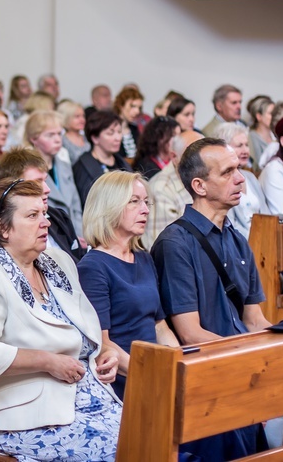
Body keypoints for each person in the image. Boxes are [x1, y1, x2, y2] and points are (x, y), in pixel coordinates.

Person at [0, 178, 122, 461]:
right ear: (2, 227)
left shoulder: (57, 262)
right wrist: (47, 361)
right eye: (32, 216)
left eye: (43, 213)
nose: (45, 222)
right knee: (121, 448)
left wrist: (103, 356)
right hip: (17, 414)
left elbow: (85, 332)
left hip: (84, 398)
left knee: (155, 432)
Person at [150, 137, 271, 459]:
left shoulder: (236, 240)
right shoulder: (175, 243)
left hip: (239, 370)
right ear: (199, 186)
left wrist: (282, 347)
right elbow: (189, 334)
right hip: (208, 379)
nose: (241, 178)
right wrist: (247, 359)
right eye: (228, 172)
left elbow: (254, 319)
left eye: (240, 169)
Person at [78, 171, 179, 399]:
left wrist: (180, 365)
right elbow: (102, 343)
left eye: (146, 202)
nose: (145, 209)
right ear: (109, 207)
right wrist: (151, 375)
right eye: (134, 202)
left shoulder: (143, 257)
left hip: (156, 371)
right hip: (126, 379)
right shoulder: (93, 266)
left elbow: (159, 326)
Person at [0, 146, 85, 267]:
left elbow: (79, 264)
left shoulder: (59, 217)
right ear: (12, 187)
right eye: (36, 182)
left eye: (45, 180)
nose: (47, 189)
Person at [25, 110, 84, 237]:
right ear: (34, 139)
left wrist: (79, 237)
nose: (57, 139)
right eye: (50, 135)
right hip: (47, 235)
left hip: (73, 234)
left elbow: (75, 207)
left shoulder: (64, 165)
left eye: (59, 134)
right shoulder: (27, 171)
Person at [142, 130, 203, 249]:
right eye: (193, 154)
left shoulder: (205, 178)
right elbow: (164, 248)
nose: (201, 160)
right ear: (174, 157)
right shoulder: (161, 189)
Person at [213, 123, 268, 238]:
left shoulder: (250, 177)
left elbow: (266, 213)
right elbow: (229, 225)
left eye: (246, 145)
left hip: (264, 242)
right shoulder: (221, 181)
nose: (245, 150)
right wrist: (255, 240)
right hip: (241, 245)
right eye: (239, 145)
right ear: (224, 149)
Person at [73, 110, 132, 205]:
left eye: (119, 132)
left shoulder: (122, 162)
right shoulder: (83, 167)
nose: (118, 138)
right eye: (110, 133)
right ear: (95, 138)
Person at [246, 95, 275, 172]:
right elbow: (256, 167)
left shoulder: (275, 135)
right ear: (259, 116)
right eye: (271, 113)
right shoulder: (251, 137)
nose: (274, 117)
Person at [112, 86, 143, 159]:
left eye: (139, 108)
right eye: (132, 106)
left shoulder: (134, 129)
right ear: (121, 105)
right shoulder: (110, 129)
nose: (137, 111)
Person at [58, 100, 90, 165]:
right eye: (77, 116)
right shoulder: (62, 140)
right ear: (66, 118)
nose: (82, 120)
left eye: (83, 116)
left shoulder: (86, 136)